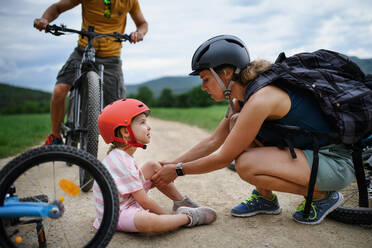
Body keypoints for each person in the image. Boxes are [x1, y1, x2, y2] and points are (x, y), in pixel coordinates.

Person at [152, 35, 355, 225]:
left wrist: (178, 170)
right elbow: (214, 141)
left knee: (246, 165)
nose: (203, 87)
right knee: (235, 121)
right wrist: (173, 163)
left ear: (226, 74)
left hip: (334, 162)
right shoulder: (240, 100)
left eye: (206, 79)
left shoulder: (261, 99)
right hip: (311, 156)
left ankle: (323, 197)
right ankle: (265, 199)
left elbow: (223, 157)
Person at [33, 0, 148, 145]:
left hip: (111, 58)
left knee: (119, 108)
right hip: (82, 51)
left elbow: (142, 23)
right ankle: (55, 136)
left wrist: (139, 33)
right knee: (59, 90)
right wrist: (45, 19)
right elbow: (57, 8)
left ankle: (119, 154)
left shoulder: (129, 1)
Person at [94, 98, 217, 233]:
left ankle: (180, 202)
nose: (149, 127)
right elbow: (144, 202)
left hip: (126, 200)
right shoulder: (122, 162)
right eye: (142, 122)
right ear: (125, 132)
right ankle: (188, 217)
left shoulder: (121, 155)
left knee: (153, 165)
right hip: (118, 213)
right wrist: (166, 218)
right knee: (150, 222)